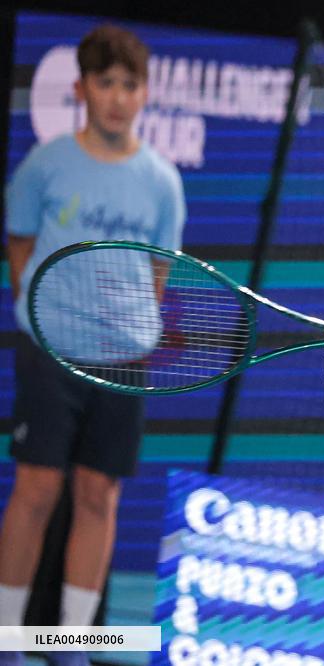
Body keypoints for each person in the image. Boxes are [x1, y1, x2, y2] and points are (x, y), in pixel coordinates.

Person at [0, 24, 185, 666]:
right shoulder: (46, 163)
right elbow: (20, 244)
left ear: (145, 94)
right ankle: (8, 638)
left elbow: (158, 274)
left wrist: (121, 326)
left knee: (99, 496)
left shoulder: (163, 182)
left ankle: (71, 644)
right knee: (36, 491)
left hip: (123, 361)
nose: (117, 96)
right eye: (105, 83)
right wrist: (46, 309)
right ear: (81, 89)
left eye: (130, 85)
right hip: (49, 354)